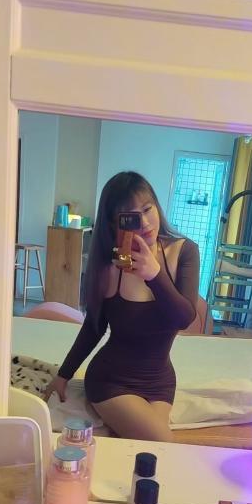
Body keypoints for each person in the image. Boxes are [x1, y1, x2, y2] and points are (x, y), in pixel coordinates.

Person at [43, 171, 199, 441]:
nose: (145, 223)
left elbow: (184, 318)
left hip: (160, 382)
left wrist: (154, 275)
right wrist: (63, 374)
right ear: (115, 225)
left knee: (149, 446)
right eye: (131, 217)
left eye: (148, 209)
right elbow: (94, 327)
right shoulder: (110, 267)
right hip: (111, 381)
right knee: (162, 442)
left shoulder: (184, 252)